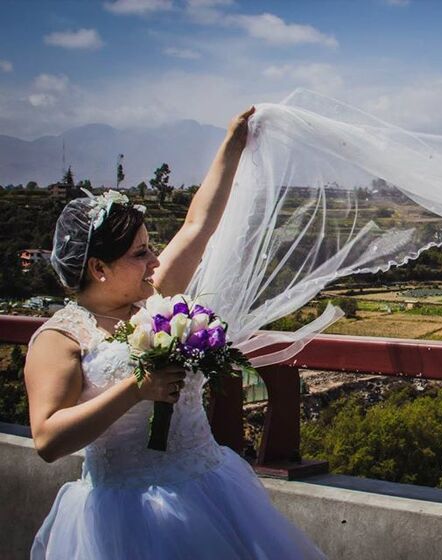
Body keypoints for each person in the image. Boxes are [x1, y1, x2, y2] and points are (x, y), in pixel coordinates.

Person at [24, 107, 326, 559]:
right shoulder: (61, 338)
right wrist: (135, 389)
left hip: (211, 486)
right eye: (140, 253)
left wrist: (233, 143)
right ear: (99, 268)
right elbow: (47, 439)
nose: (154, 261)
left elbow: (198, 226)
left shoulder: (155, 300)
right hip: (128, 516)